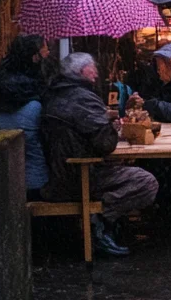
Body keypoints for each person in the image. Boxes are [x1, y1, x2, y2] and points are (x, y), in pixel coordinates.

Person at [40, 52, 159, 257]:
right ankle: (100, 220)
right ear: (80, 72)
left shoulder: (54, 94)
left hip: (59, 174)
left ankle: (107, 222)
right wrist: (111, 127)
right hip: (80, 175)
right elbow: (106, 144)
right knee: (146, 182)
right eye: (91, 68)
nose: (95, 73)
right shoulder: (83, 98)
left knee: (127, 168)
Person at [0, 34, 51, 195]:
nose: (49, 54)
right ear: (35, 57)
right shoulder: (36, 101)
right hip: (35, 180)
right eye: (45, 51)